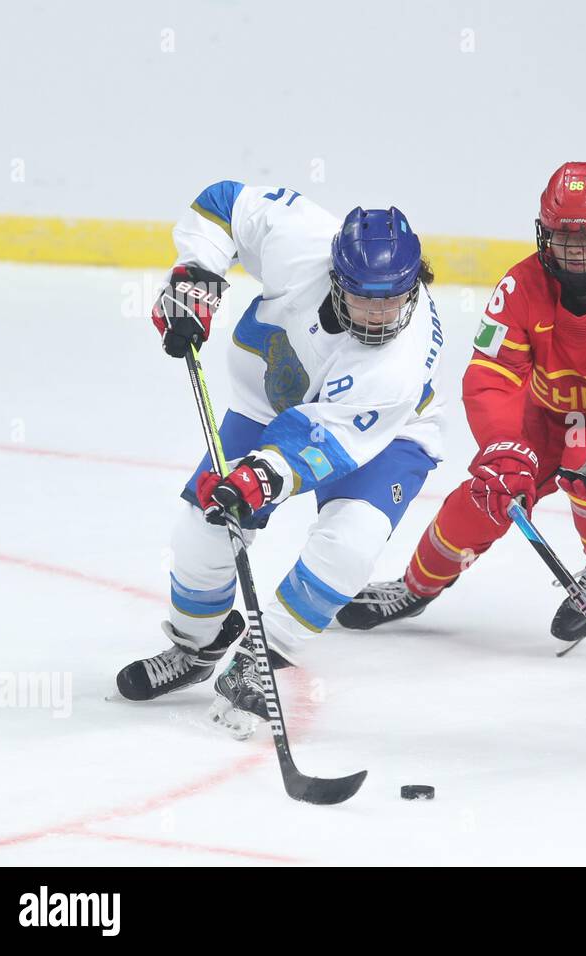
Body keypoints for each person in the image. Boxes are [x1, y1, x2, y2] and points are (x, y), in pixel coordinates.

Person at [337, 162, 586, 642]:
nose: (575, 253)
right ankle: (415, 587)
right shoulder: (521, 286)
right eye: (563, 239)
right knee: (491, 489)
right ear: (543, 235)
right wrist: (505, 447)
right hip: (557, 411)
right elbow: (492, 375)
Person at [116, 182, 446, 737]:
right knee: (202, 532)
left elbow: (324, 443)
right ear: (337, 277)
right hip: (269, 408)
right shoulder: (302, 239)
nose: (380, 313)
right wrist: (196, 276)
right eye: (366, 297)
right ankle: (198, 647)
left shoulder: (398, 365)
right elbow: (222, 203)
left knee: (350, 545)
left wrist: (262, 477)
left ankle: (260, 657)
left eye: (393, 298)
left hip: (384, 434)